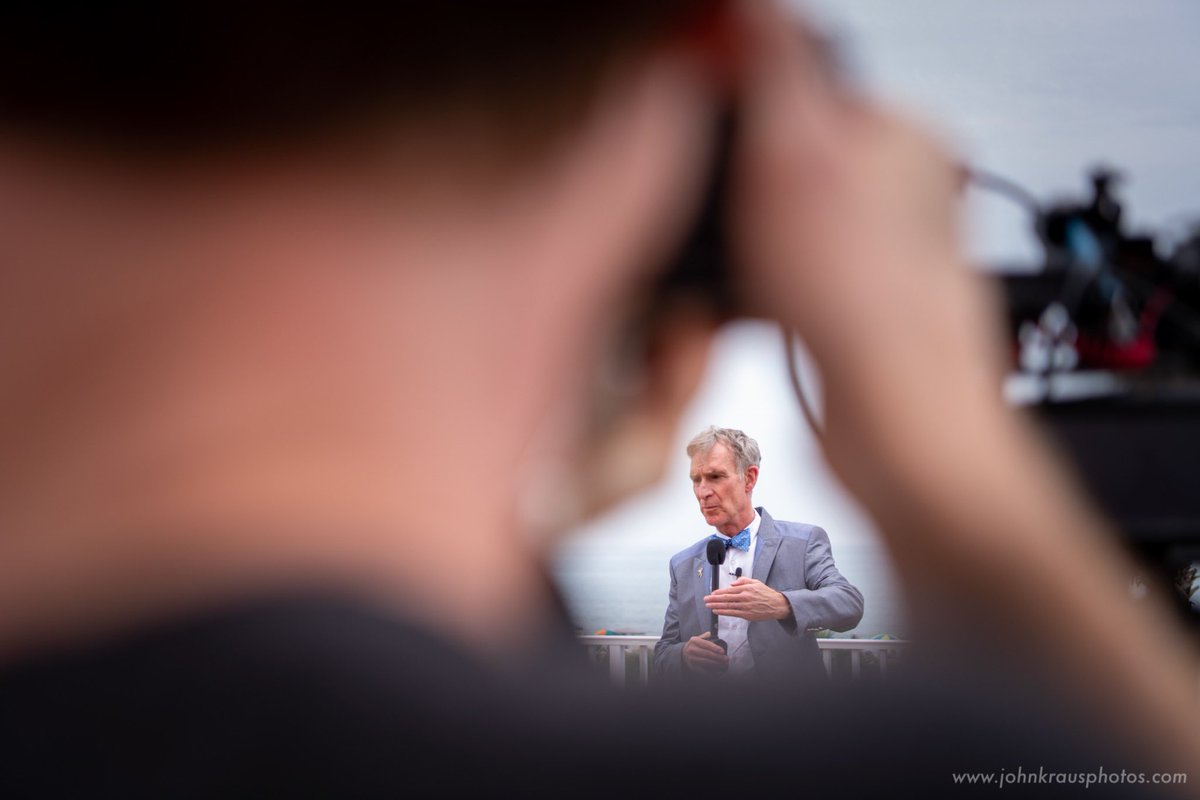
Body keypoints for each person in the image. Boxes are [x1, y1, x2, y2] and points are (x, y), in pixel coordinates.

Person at [0, 1, 1195, 796]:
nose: (702, 483)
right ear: (719, 72)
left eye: (714, 471)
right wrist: (945, 449)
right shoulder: (901, 757)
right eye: (700, 472)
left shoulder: (793, 552)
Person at [654, 426, 862, 682]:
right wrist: (684, 655)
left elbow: (850, 604)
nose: (702, 492)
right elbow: (663, 652)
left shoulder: (804, 542)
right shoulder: (682, 564)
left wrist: (783, 605)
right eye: (696, 480)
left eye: (715, 476)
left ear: (749, 478)